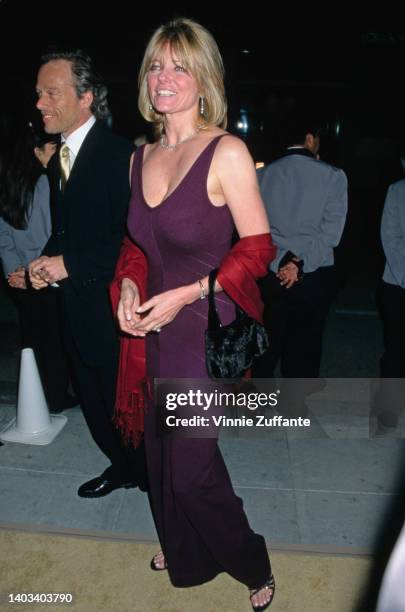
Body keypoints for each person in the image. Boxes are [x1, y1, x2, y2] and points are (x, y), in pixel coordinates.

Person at [113, 18, 277, 611]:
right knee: (161, 459)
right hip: (151, 332)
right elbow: (137, 246)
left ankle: (251, 560)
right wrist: (130, 289)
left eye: (179, 66)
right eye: (156, 65)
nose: (164, 77)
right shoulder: (139, 158)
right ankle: (183, 548)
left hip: (201, 331)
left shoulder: (226, 150)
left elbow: (258, 248)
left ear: (203, 79)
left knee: (192, 471)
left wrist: (187, 292)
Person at [28, 50, 146, 497]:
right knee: (95, 403)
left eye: (51, 93)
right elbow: (68, 231)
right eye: (39, 93)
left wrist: (70, 264)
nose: (40, 103)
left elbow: (133, 240)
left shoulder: (120, 157)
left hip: (115, 307)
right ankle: (123, 467)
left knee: (127, 406)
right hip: (75, 303)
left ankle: (157, 482)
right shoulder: (62, 155)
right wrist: (42, 264)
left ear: (86, 98)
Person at [253, 115, 348, 381]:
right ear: (309, 138)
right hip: (312, 274)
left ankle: (255, 408)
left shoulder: (261, 175)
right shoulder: (334, 175)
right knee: (304, 344)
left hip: (271, 271)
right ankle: (293, 409)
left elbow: (255, 231)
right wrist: (298, 264)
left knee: (266, 343)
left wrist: (281, 262)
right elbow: (331, 234)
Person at [0, 120, 74, 413]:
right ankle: (55, 398)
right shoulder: (47, 183)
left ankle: (38, 398)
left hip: (20, 276)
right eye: (53, 146)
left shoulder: (8, 185)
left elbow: (3, 235)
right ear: (37, 150)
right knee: (55, 340)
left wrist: (13, 272)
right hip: (45, 276)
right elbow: (53, 234)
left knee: (32, 338)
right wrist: (31, 274)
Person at [373, 150, 405, 435]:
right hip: (398, 283)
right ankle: (389, 409)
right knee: (397, 350)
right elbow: (390, 237)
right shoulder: (398, 190)